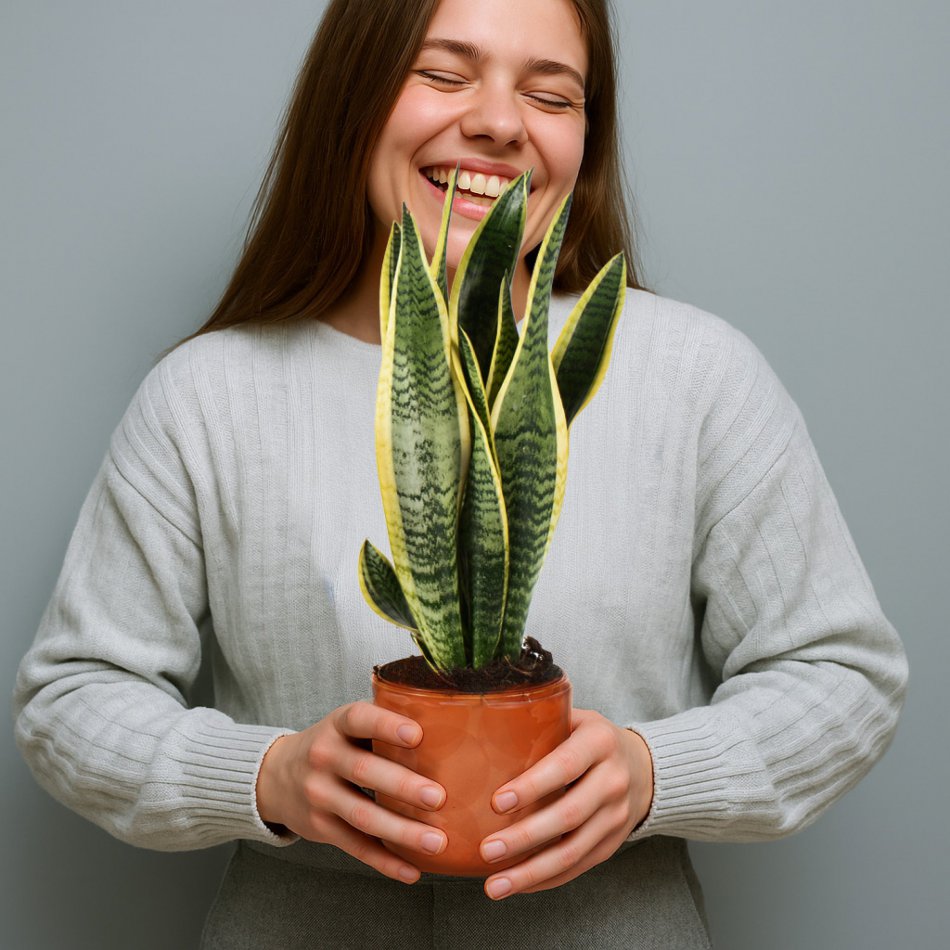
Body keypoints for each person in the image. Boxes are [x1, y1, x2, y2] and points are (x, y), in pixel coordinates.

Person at [13, 0, 908, 947]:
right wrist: (267, 777)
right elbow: (73, 699)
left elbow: (843, 673)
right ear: (352, 99)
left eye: (550, 93)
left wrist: (653, 772)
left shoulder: (694, 376)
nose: (497, 120)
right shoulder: (207, 395)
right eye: (442, 74)